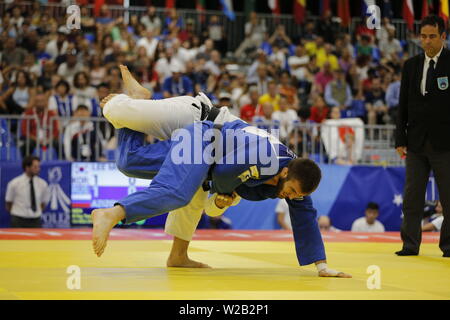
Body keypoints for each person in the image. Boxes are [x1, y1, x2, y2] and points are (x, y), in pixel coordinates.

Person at [90, 66, 351, 278]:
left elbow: (305, 217)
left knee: (130, 162)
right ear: (284, 174)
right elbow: (225, 174)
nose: (290, 197)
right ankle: (112, 213)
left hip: (208, 147)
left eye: (295, 195)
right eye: (292, 191)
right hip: (199, 122)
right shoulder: (267, 156)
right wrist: (225, 191)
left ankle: (178, 256)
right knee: (178, 187)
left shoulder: (296, 178)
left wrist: (322, 266)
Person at [395, 15, 450, 257]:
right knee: (412, 197)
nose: (427, 42)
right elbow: (402, 105)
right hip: (416, 142)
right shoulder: (411, 65)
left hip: (445, 143)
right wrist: (400, 138)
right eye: (424, 36)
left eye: (432, 37)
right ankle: (409, 245)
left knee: (448, 198)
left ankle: (448, 246)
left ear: (443, 37)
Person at [5, 156, 50, 228]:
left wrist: (35, 212)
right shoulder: (14, 183)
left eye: (38, 166)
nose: (38, 169)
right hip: (18, 220)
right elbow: (8, 202)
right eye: (35, 167)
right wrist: (18, 213)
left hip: (36, 220)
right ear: (27, 167)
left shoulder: (43, 184)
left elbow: (43, 203)